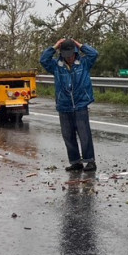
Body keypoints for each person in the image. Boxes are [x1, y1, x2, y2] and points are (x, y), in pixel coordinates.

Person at [40, 37, 100, 172]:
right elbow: (43, 60)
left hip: (80, 104)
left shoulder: (84, 63)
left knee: (84, 134)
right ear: (61, 54)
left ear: (75, 52)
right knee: (68, 135)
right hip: (64, 105)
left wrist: (79, 44)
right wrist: (54, 46)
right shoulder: (56, 66)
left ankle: (90, 161)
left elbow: (94, 54)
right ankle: (75, 162)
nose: (69, 58)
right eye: (66, 55)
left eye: (71, 55)